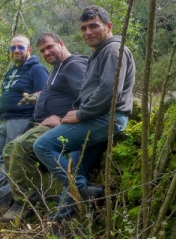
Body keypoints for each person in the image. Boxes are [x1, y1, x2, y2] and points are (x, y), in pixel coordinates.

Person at [33, 5, 135, 225]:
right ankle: (59, 222)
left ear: (109, 26)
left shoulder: (113, 50)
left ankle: (85, 192)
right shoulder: (100, 53)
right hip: (98, 118)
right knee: (74, 170)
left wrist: (81, 114)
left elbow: (109, 90)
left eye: (93, 26)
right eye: (83, 28)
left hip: (105, 118)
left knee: (42, 146)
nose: (88, 32)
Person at [0, 32, 98, 222]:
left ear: (61, 43)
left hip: (65, 126)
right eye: (42, 50)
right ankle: (32, 199)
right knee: (9, 149)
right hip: (45, 124)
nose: (46, 52)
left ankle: (25, 205)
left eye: (50, 47)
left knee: (20, 146)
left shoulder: (73, 65)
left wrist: (61, 120)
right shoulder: (59, 68)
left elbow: (88, 99)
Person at [0, 35, 49, 211]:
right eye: (13, 48)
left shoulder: (37, 70)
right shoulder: (11, 71)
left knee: (11, 158)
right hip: (4, 121)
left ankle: (16, 199)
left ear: (29, 50)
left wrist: (34, 122)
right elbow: (5, 95)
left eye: (20, 47)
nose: (16, 51)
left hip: (22, 119)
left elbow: (43, 97)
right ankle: (5, 192)